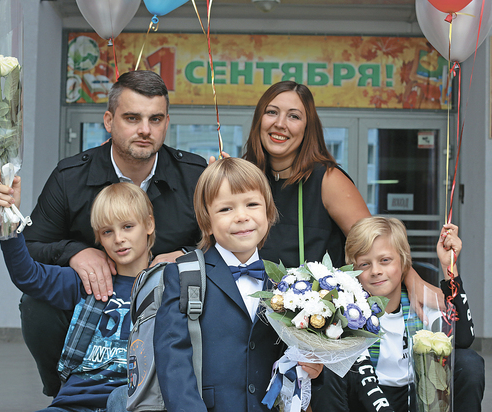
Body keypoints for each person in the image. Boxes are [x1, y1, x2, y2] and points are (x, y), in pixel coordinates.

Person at [0, 70, 207, 396]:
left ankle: (187, 391)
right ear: (109, 121)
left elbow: (228, 244)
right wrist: (74, 252)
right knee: (36, 304)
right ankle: (65, 388)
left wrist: (190, 256)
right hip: (97, 302)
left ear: (166, 122)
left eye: (156, 119)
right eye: (132, 118)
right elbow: (33, 248)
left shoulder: (195, 175)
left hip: (173, 307)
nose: (145, 130)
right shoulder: (70, 176)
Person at [241, 80, 440, 321]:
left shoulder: (328, 180)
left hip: (315, 325)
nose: (280, 123)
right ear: (259, 120)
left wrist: (414, 281)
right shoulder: (245, 179)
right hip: (251, 317)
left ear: (308, 128)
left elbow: (374, 244)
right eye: (272, 112)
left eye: (294, 116)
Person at [153, 157, 323, 412]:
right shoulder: (184, 276)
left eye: (252, 204)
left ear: (268, 213)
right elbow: (173, 361)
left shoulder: (286, 283)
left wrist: (312, 369)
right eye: (226, 209)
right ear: (207, 221)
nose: (242, 216)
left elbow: (289, 362)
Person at [0, 177, 158, 411]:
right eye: (107, 231)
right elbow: (27, 276)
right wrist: (9, 218)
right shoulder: (86, 281)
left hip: (133, 401)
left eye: (128, 226)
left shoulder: (166, 285)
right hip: (76, 402)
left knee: (121, 400)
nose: (119, 238)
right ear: (99, 238)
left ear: (149, 225)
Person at [310, 217, 484, 412]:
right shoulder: (350, 311)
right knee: (328, 368)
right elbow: (363, 379)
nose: (376, 271)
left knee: (469, 363)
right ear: (354, 270)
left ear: (403, 262)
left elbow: (464, 339)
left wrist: (449, 267)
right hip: (365, 394)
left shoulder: (419, 304)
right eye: (365, 264)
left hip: (415, 395)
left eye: (385, 260)